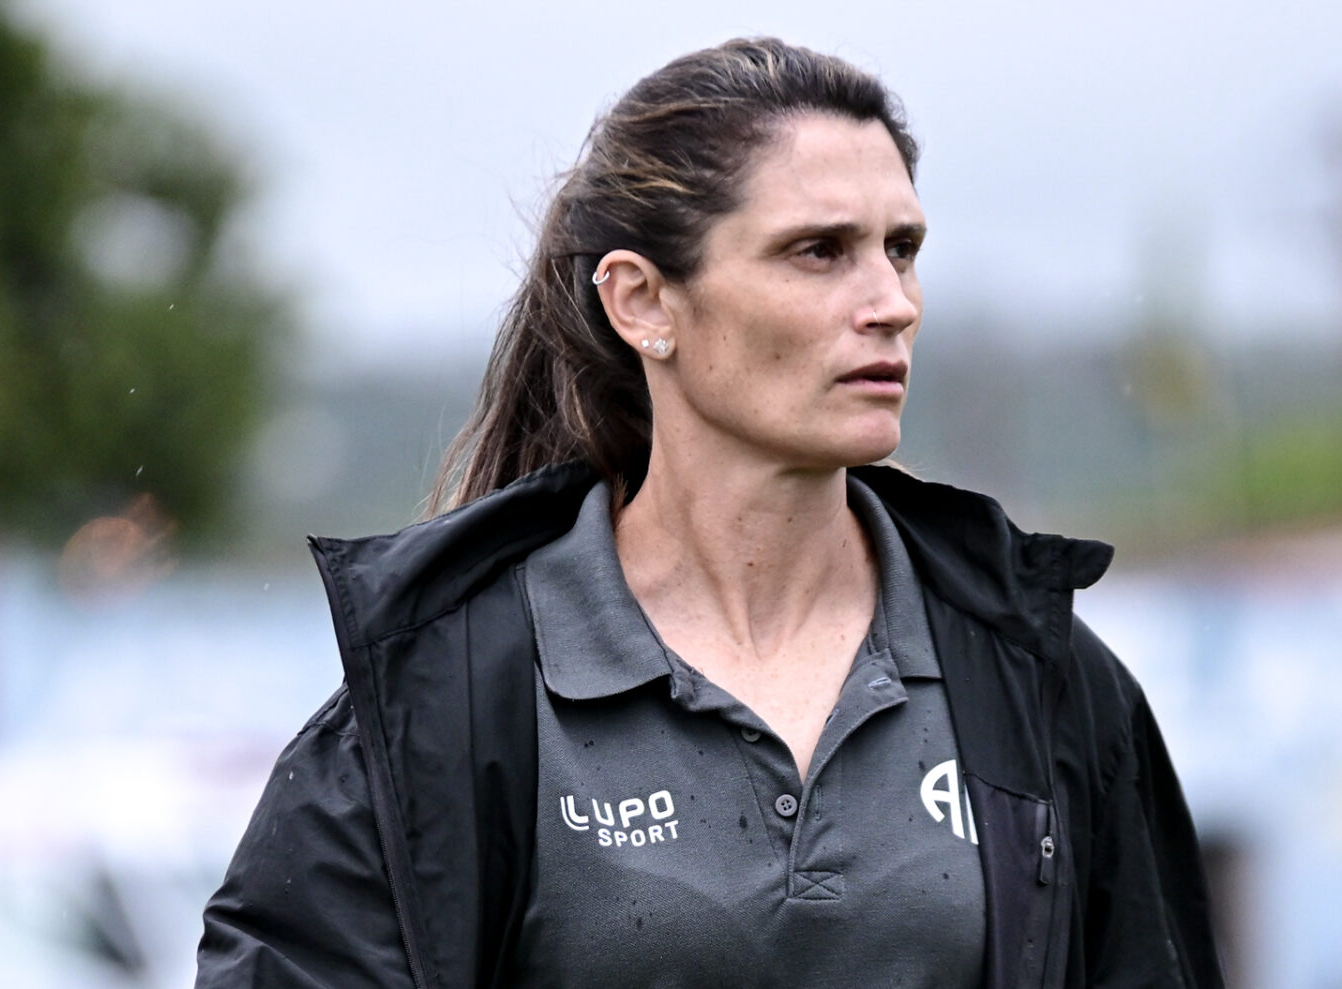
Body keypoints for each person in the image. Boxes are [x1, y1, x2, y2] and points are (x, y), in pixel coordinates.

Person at [195, 37, 1224, 989]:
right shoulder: (450, 695)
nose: (892, 302)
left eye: (902, 248)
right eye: (819, 251)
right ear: (642, 301)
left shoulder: (1038, 676)